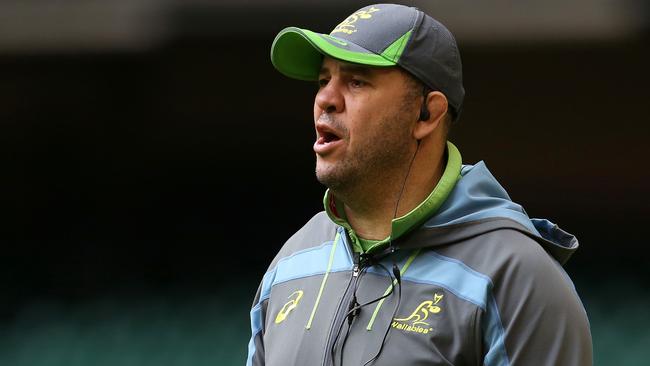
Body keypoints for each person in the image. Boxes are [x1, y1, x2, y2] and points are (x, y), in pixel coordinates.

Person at [246, 4, 592, 366]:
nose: (325, 100)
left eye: (356, 80)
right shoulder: (290, 264)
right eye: (323, 81)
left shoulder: (516, 279)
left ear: (427, 114)